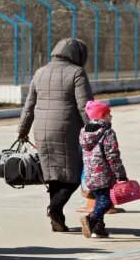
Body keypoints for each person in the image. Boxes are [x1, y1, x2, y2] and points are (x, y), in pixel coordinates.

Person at [17, 38, 94, 232]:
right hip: (67, 129)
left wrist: (23, 129)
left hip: (41, 130)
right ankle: (55, 208)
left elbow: (29, 105)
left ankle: (56, 219)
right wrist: (94, 127)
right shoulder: (77, 72)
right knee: (75, 175)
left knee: (52, 174)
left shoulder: (40, 72)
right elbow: (85, 105)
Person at [79, 101, 128, 238]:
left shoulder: (84, 131)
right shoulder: (107, 132)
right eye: (108, 114)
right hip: (104, 173)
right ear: (102, 116)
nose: (111, 116)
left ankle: (98, 229)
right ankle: (91, 219)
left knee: (100, 199)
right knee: (107, 201)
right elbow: (112, 156)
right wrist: (121, 175)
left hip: (89, 174)